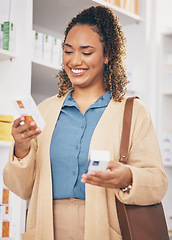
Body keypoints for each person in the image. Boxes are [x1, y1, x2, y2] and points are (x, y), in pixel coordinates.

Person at [3, 5, 168, 240]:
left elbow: (158, 183)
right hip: (46, 228)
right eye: (68, 51)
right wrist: (21, 149)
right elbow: (21, 188)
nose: (75, 61)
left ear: (108, 54)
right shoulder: (46, 111)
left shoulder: (133, 112)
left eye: (86, 52)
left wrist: (127, 177)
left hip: (103, 229)